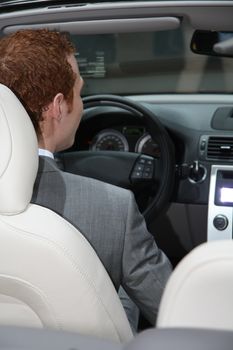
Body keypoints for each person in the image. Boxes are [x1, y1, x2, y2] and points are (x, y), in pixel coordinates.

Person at [0, 29, 172, 329]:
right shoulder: (114, 209)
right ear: (57, 107)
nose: (81, 104)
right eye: (79, 92)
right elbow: (176, 312)